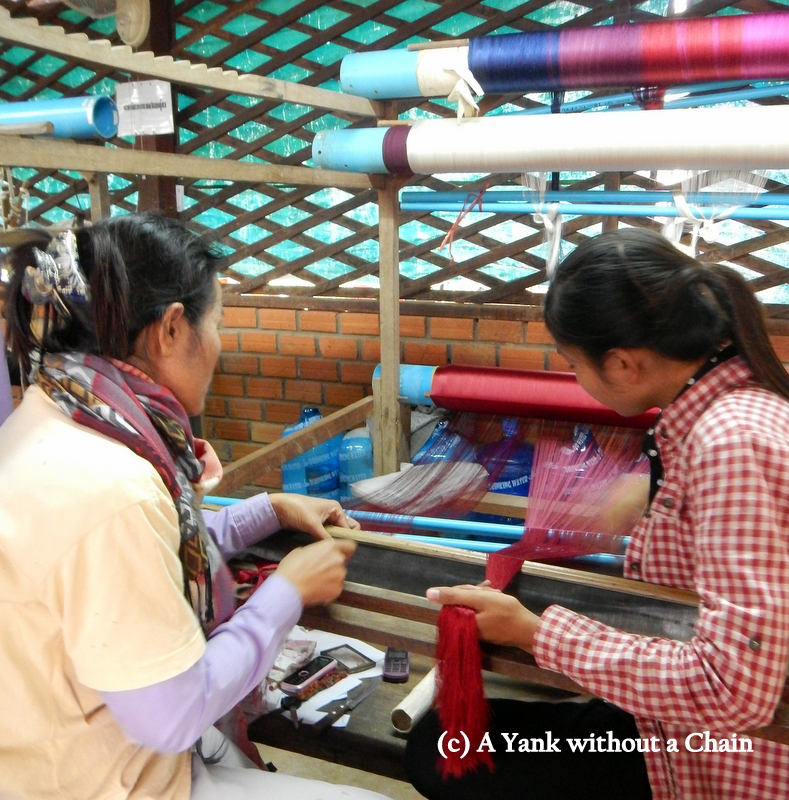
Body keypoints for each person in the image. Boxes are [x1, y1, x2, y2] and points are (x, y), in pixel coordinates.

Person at [0, 213, 391, 800]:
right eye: (218, 322)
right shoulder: (113, 487)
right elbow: (173, 714)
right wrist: (287, 592)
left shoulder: (51, 416)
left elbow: (130, 557)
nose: (220, 344)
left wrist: (268, 509)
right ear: (172, 329)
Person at [406, 228, 789, 800]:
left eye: (572, 361)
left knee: (444, 748)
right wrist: (654, 502)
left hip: (717, 756)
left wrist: (537, 634)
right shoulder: (725, 414)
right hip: (669, 731)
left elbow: (732, 688)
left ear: (624, 364)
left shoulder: (731, 442)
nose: (575, 378)